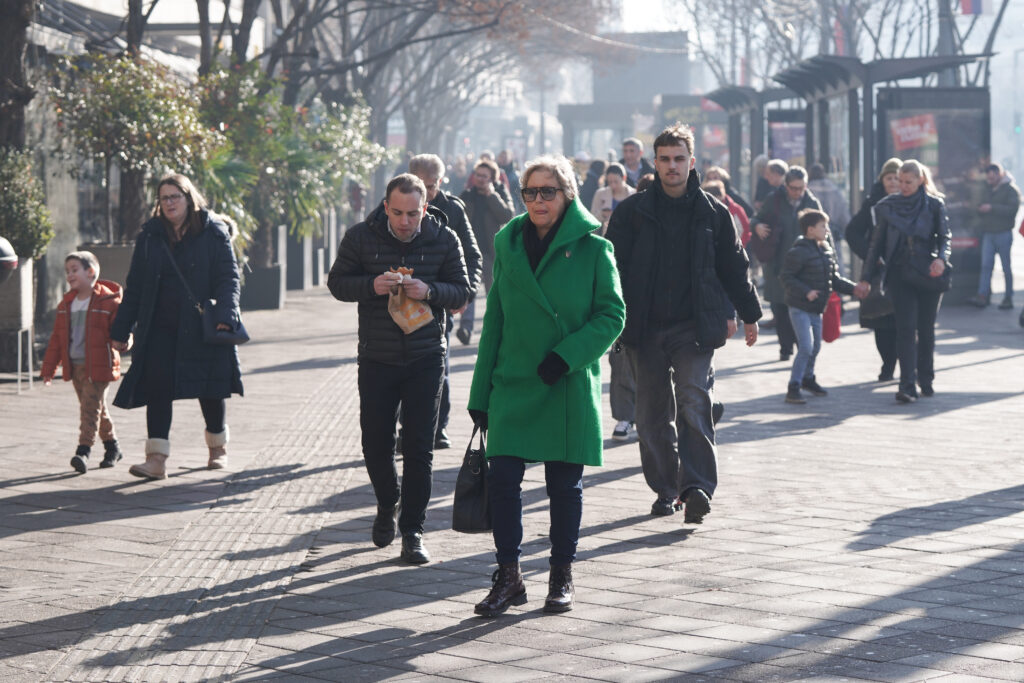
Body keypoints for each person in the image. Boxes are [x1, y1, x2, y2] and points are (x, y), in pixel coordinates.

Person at [468, 154, 624, 617]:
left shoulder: (596, 249)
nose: (538, 200)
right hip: (513, 380)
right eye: (530, 192)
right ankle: (510, 576)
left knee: (564, 485)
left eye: (548, 191)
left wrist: (566, 356)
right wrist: (480, 395)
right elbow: (494, 322)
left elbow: (612, 315)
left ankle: (561, 573)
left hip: (565, 380)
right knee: (503, 481)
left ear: (567, 194)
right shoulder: (509, 245)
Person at [606, 123, 761, 524]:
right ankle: (666, 488)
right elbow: (610, 270)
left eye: (679, 159)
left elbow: (734, 266)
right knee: (650, 416)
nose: (672, 166)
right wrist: (605, 317)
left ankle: (696, 489)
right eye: (665, 159)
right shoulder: (632, 213)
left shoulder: (713, 212)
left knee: (694, 402)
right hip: (643, 328)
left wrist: (750, 313)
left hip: (694, 328)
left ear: (692, 162)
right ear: (653, 163)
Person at [328, 173, 470, 564]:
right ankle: (387, 501)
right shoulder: (361, 237)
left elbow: (463, 291)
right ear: (386, 207)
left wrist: (431, 292)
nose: (405, 221)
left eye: (413, 213)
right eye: (398, 213)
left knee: (420, 448)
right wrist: (371, 285)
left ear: (425, 208)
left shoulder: (444, 238)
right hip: (377, 356)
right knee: (375, 443)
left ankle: (413, 530)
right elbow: (337, 282)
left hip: (426, 357)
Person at [110, 174, 243, 479]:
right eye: (164, 198)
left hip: (202, 326)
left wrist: (227, 313)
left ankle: (217, 448)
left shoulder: (213, 232)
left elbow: (228, 277)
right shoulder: (150, 236)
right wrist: (121, 329)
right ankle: (156, 459)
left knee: (210, 387)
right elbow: (136, 286)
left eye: (175, 196)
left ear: (189, 197)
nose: (169, 203)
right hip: (159, 326)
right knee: (158, 388)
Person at [858, 160, 951, 403]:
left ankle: (926, 378)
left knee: (926, 329)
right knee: (906, 328)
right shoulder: (888, 207)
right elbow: (876, 244)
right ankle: (907, 384)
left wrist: (941, 259)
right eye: (900, 181)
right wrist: (866, 278)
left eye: (908, 182)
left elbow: (944, 238)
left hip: (928, 273)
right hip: (900, 274)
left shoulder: (934, 204)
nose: (903, 186)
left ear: (920, 180)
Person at [408, 154, 483, 449]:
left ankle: (438, 426)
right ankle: (407, 427)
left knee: (440, 366)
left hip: (440, 301)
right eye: (419, 185)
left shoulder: (452, 209)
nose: (425, 193)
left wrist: (466, 294)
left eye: (431, 186)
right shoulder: (394, 202)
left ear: (441, 182)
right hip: (400, 305)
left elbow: (473, 256)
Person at [40, 251, 125, 473]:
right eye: (67, 271)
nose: (69, 275)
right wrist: (49, 368)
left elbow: (122, 330)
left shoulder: (108, 301)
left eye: (74, 270)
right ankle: (113, 447)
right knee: (95, 408)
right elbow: (57, 339)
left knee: (89, 409)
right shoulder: (66, 304)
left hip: (99, 366)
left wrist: (124, 342)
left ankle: (83, 451)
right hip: (75, 365)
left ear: (91, 272)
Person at [780, 210, 860, 404]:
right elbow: (786, 277)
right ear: (810, 230)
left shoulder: (826, 250)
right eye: (823, 226)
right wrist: (806, 291)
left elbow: (833, 279)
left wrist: (854, 289)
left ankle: (808, 378)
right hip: (799, 307)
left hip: (817, 308)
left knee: (815, 346)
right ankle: (794, 386)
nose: (827, 230)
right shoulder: (798, 251)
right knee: (806, 346)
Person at [752, 166, 823, 361]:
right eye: (793, 188)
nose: (797, 192)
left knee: (801, 307)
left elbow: (824, 231)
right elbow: (755, 218)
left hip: (804, 267)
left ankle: (803, 348)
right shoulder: (774, 199)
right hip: (778, 264)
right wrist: (757, 226)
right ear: (786, 185)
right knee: (780, 308)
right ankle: (785, 348)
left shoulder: (811, 202)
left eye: (801, 188)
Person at [846, 158, 901, 381]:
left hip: (902, 271)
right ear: (882, 180)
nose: (894, 182)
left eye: (898, 178)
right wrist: (870, 255)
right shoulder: (872, 204)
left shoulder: (910, 200)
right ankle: (887, 365)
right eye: (889, 178)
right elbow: (852, 232)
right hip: (877, 273)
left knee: (902, 322)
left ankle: (904, 367)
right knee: (881, 323)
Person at [458, 159, 514, 345]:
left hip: (491, 251)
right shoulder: (467, 195)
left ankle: (496, 330)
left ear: (492, 178)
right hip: (470, 251)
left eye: (485, 176)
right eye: (478, 175)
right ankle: (466, 328)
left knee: (494, 294)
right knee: (469, 290)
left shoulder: (498, 192)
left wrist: (492, 196)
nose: (480, 179)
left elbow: (507, 215)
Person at [970, 163, 1020, 309]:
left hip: (1003, 233)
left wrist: (992, 208)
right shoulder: (988, 189)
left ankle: (1008, 297)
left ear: (999, 175)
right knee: (986, 266)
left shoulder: (1011, 190)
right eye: (988, 178)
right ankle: (983, 295)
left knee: (1006, 267)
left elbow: (1012, 210)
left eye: (992, 177)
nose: (990, 180)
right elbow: (978, 204)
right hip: (988, 233)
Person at [808, 163, 852, 275]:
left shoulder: (808, 191)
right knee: (836, 261)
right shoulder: (835, 190)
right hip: (833, 231)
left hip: (812, 233)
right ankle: (838, 291)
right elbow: (844, 216)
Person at [590, 163, 635, 234]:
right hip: (607, 237)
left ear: (624, 178)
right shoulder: (600, 194)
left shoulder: (634, 194)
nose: (613, 185)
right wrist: (602, 214)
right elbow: (591, 222)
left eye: (616, 182)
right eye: (610, 182)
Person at [497, 149, 525, 213]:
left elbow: (519, 193)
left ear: (510, 159)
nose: (503, 159)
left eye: (505, 157)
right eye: (501, 157)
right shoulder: (493, 172)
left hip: (511, 205)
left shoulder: (515, 176)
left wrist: (523, 209)